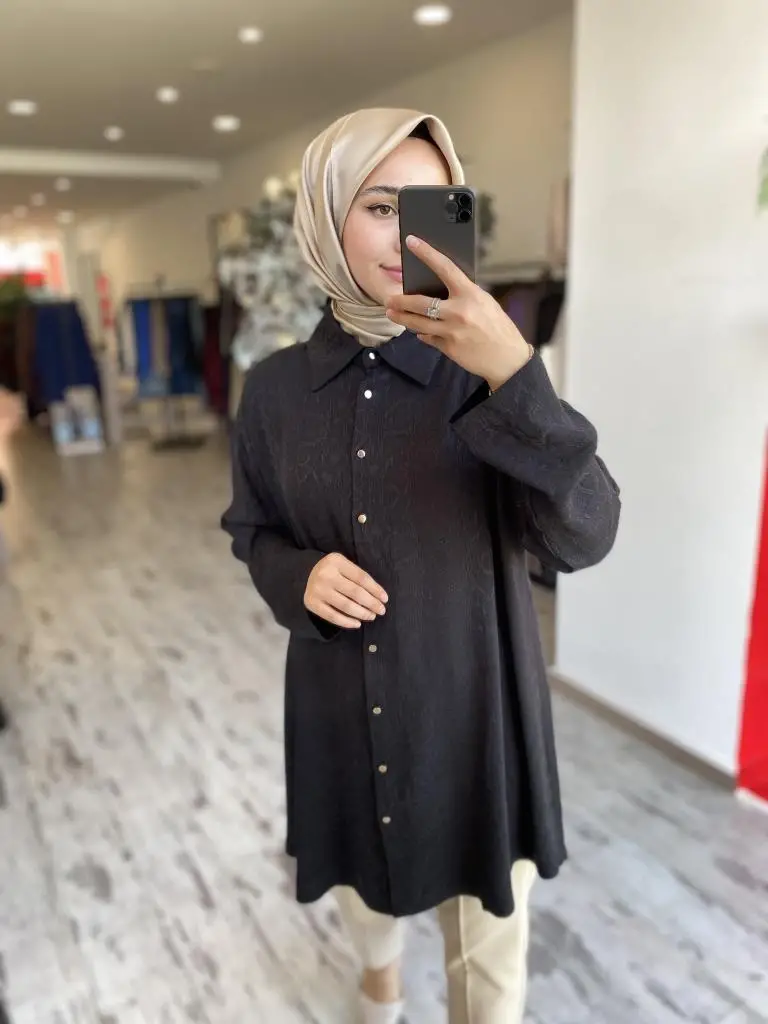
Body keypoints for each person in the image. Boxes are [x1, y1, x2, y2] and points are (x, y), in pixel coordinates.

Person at [222, 108, 620, 1024]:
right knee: (362, 872)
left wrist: (516, 377)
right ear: (325, 217)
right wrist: (296, 577)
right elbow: (252, 527)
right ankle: (379, 982)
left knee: (489, 932)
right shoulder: (274, 389)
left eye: (433, 207)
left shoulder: (489, 371)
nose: (407, 236)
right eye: (378, 206)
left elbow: (586, 536)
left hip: (474, 703)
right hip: (337, 696)